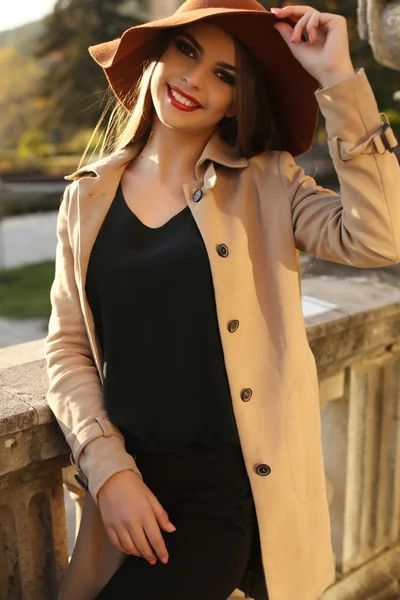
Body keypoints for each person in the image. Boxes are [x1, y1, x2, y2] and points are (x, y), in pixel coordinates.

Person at [44, 1, 400, 599]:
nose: (194, 81)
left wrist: (339, 79)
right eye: (187, 51)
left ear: (239, 99)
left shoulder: (270, 183)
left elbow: (380, 235)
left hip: (226, 496)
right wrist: (108, 471)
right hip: (126, 491)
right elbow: (68, 348)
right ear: (158, 54)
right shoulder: (86, 197)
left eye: (225, 76)